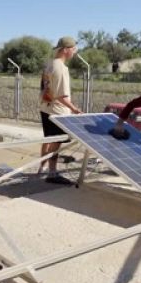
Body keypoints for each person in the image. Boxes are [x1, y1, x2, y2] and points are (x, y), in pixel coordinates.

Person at [38, 36, 82, 185]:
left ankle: (41, 168)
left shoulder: (49, 64)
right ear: (65, 50)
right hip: (57, 112)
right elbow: (62, 97)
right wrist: (75, 110)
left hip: (45, 108)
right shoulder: (61, 68)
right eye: (73, 49)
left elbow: (44, 88)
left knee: (47, 139)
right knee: (56, 142)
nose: (74, 52)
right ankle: (52, 173)